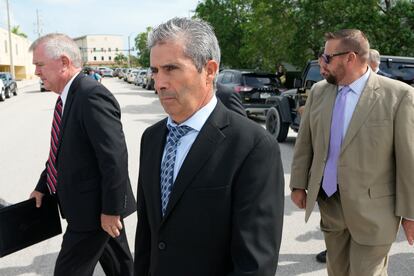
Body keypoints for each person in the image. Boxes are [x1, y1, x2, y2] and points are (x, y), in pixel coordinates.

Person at [134, 17, 284, 276]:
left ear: (210, 70)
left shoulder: (253, 147)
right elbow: (147, 234)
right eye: (155, 71)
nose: (159, 83)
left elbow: (254, 264)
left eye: (171, 69)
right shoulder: (152, 138)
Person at [290, 29, 414, 276]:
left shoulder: (398, 96)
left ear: (350, 58)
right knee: (337, 271)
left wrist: (410, 213)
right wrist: (298, 184)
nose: (321, 63)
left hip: (374, 210)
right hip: (331, 204)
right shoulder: (319, 92)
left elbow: (408, 159)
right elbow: (305, 143)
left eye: (327, 57)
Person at [29, 33, 136, 276]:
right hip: (94, 210)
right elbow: (61, 152)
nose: (36, 72)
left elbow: (114, 158)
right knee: (122, 268)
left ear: (64, 62)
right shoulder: (68, 98)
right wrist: (42, 186)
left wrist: (110, 210)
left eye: (40, 64)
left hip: (93, 212)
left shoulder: (90, 95)